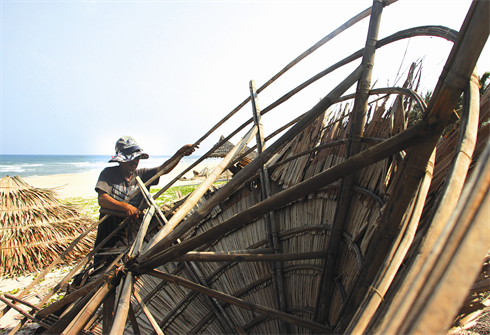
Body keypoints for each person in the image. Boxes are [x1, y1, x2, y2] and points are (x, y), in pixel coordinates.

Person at [93, 135, 195, 264]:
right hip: (110, 228)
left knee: (130, 262)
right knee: (103, 263)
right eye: (131, 158)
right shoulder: (108, 174)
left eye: (137, 158)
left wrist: (180, 154)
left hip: (133, 228)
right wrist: (126, 207)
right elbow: (103, 199)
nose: (135, 161)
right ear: (121, 160)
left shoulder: (142, 174)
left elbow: (163, 169)